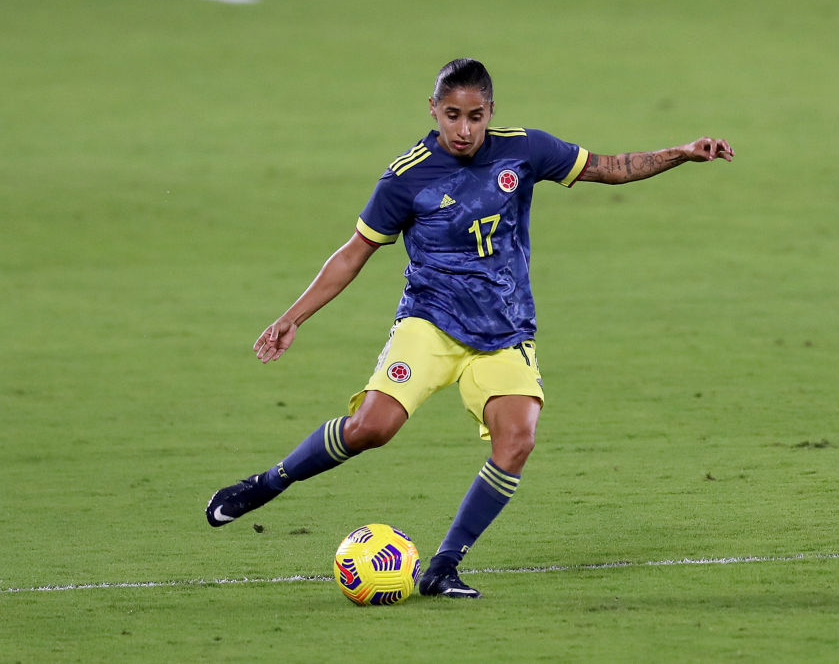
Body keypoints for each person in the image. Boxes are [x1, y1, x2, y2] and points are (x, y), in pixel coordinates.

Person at [205, 58, 734, 598]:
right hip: (430, 322)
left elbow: (610, 166)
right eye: (452, 115)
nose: (463, 129)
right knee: (372, 428)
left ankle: (443, 566)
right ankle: (267, 483)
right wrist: (291, 317)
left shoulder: (524, 149)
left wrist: (681, 153)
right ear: (433, 111)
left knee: (517, 441)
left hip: (505, 329)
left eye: (474, 116)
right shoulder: (406, 177)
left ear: (490, 113)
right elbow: (353, 253)